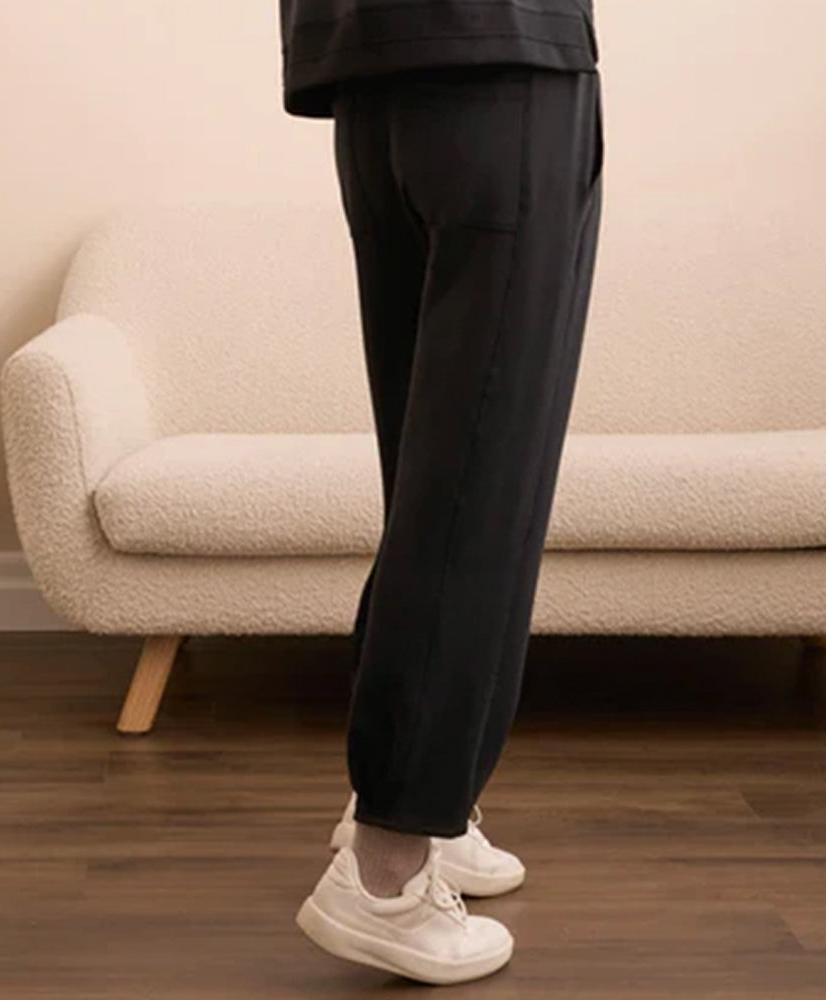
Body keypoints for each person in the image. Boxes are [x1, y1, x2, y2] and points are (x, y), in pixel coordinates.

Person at [279, 0, 604, 984]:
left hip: (368, 71)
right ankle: (386, 866)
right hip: (503, 58)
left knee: (434, 475)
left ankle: (430, 801)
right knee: (478, 492)